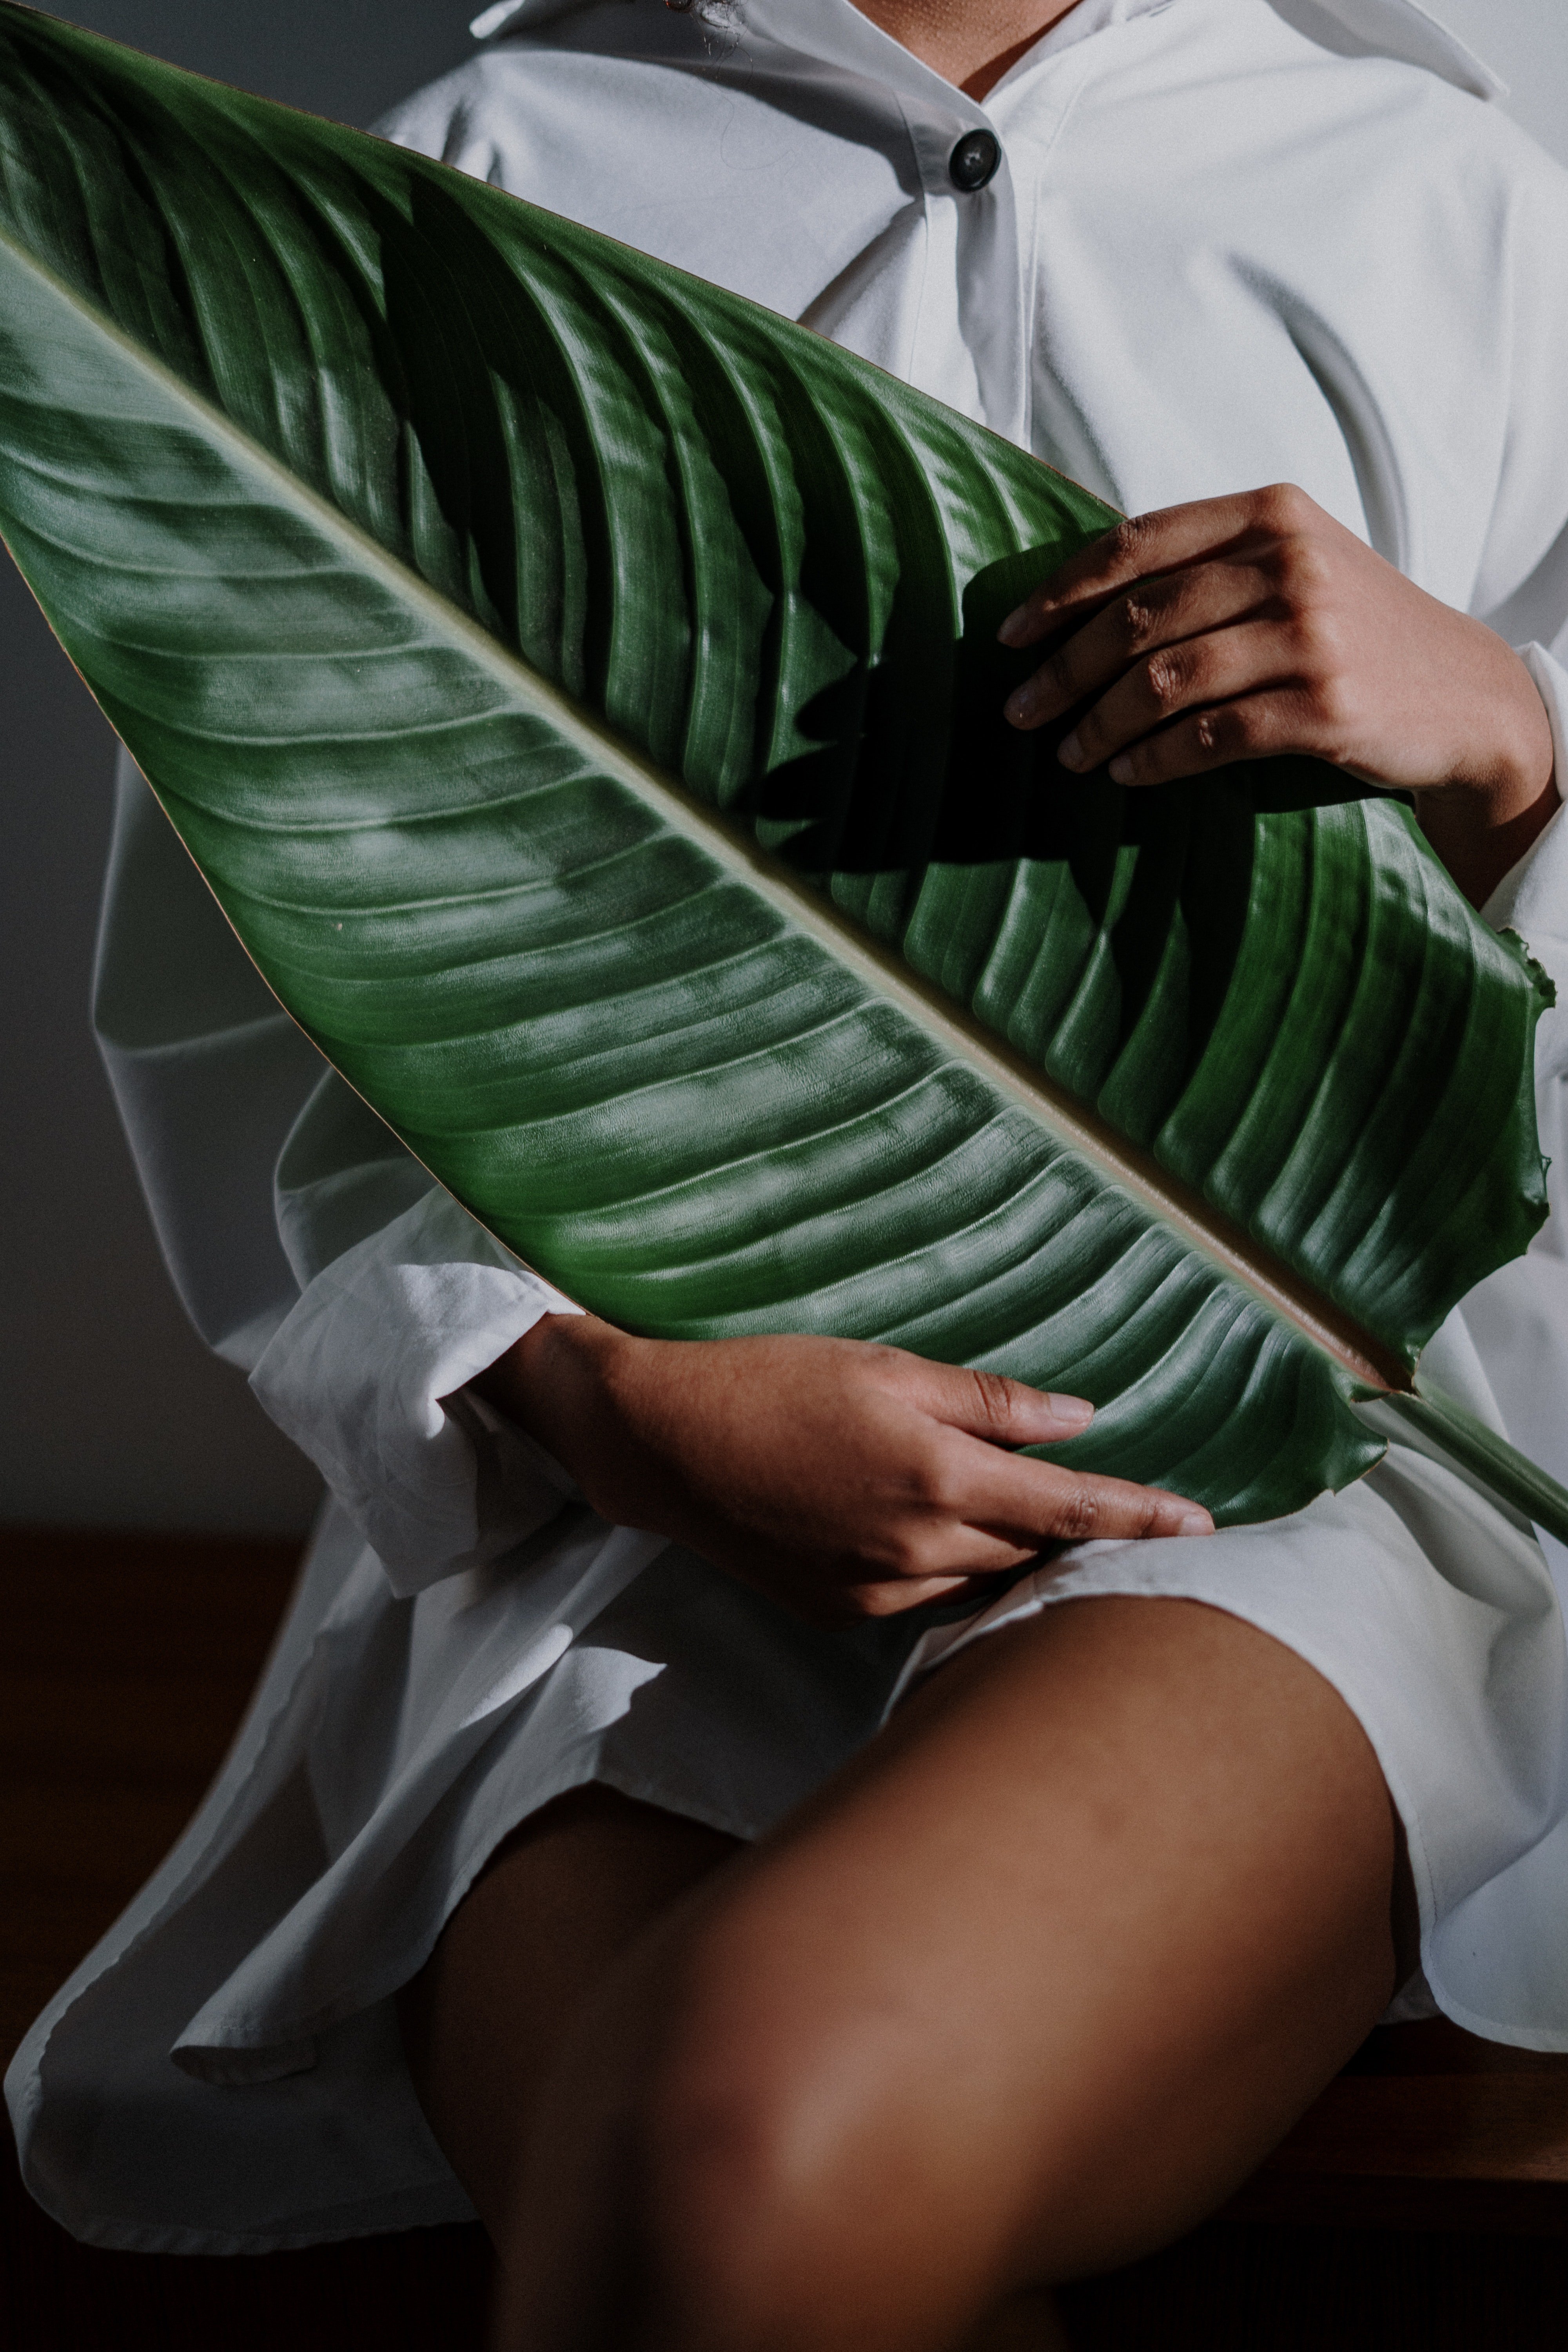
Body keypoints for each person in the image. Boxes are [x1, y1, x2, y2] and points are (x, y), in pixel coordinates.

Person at [9, 1, 1568, 2344]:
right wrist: (594, 1398)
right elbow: (274, 987)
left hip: (1298, 1488)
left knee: (746, 2148)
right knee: (702, 2216)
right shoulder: (499, 156)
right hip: (634, 1527)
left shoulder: (1447, 196)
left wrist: (1519, 749)